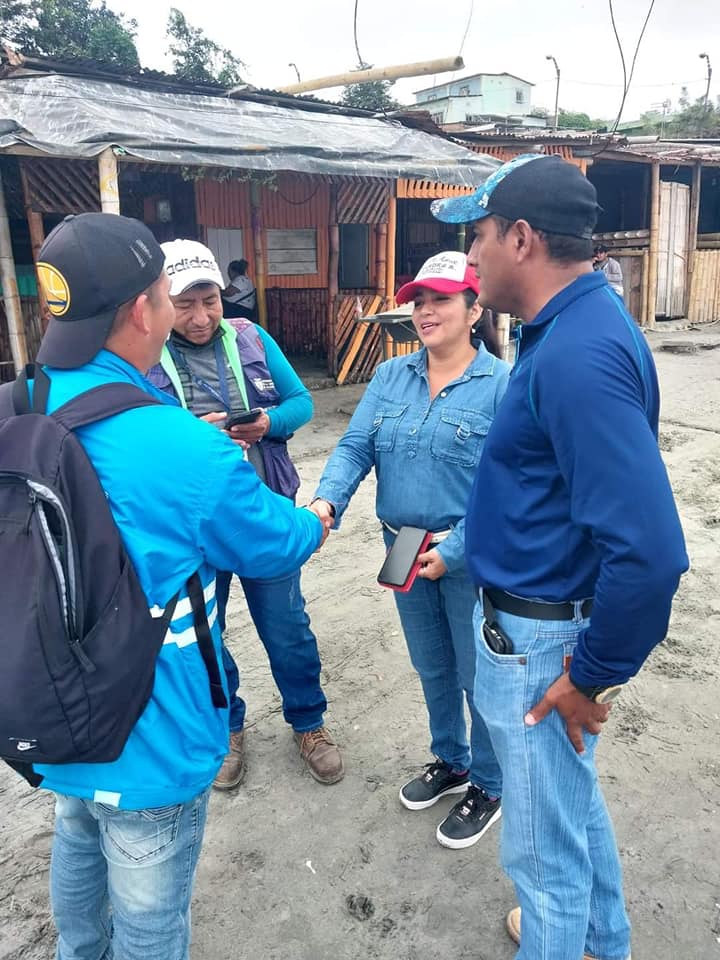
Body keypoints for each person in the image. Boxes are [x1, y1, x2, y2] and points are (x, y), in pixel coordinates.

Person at [11, 213, 325, 959]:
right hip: (147, 729)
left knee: (78, 834)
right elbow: (275, 543)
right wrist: (316, 515)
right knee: (149, 915)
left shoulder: (19, 403)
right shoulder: (179, 444)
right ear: (142, 309)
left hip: (51, 704)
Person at [432, 155, 688, 959]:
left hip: (540, 644)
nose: (470, 258)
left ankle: (562, 935)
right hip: (540, 627)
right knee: (567, 813)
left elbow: (651, 553)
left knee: (542, 862)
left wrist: (591, 675)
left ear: (521, 239)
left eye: (477, 237)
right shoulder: (571, 327)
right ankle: (600, 942)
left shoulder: (578, 355)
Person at [310, 251, 510, 849]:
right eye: (419, 300)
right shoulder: (390, 376)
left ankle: (489, 784)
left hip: (468, 555)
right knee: (432, 665)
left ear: (473, 310)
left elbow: (512, 486)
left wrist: (458, 550)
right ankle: (451, 759)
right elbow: (355, 446)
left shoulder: (503, 385)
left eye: (440, 300)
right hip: (401, 545)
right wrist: (325, 502)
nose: (425, 310)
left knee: (477, 675)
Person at [148, 239, 344, 788]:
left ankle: (309, 722)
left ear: (223, 295)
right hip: (192, 527)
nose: (200, 317)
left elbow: (302, 402)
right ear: (160, 302)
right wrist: (191, 437)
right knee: (205, 633)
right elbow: (138, 438)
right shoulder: (145, 354)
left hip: (263, 514)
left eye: (209, 300)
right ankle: (228, 726)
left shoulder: (251, 337)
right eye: (184, 304)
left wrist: (267, 425)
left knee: (287, 627)